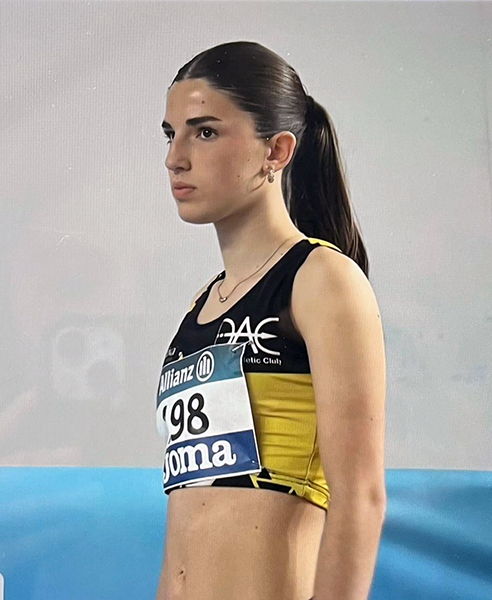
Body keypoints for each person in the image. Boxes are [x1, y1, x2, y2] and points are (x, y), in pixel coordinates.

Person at [155, 41, 387, 600]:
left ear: (276, 150)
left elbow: (361, 498)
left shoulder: (323, 279)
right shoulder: (200, 305)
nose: (175, 158)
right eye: (170, 134)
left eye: (204, 132)